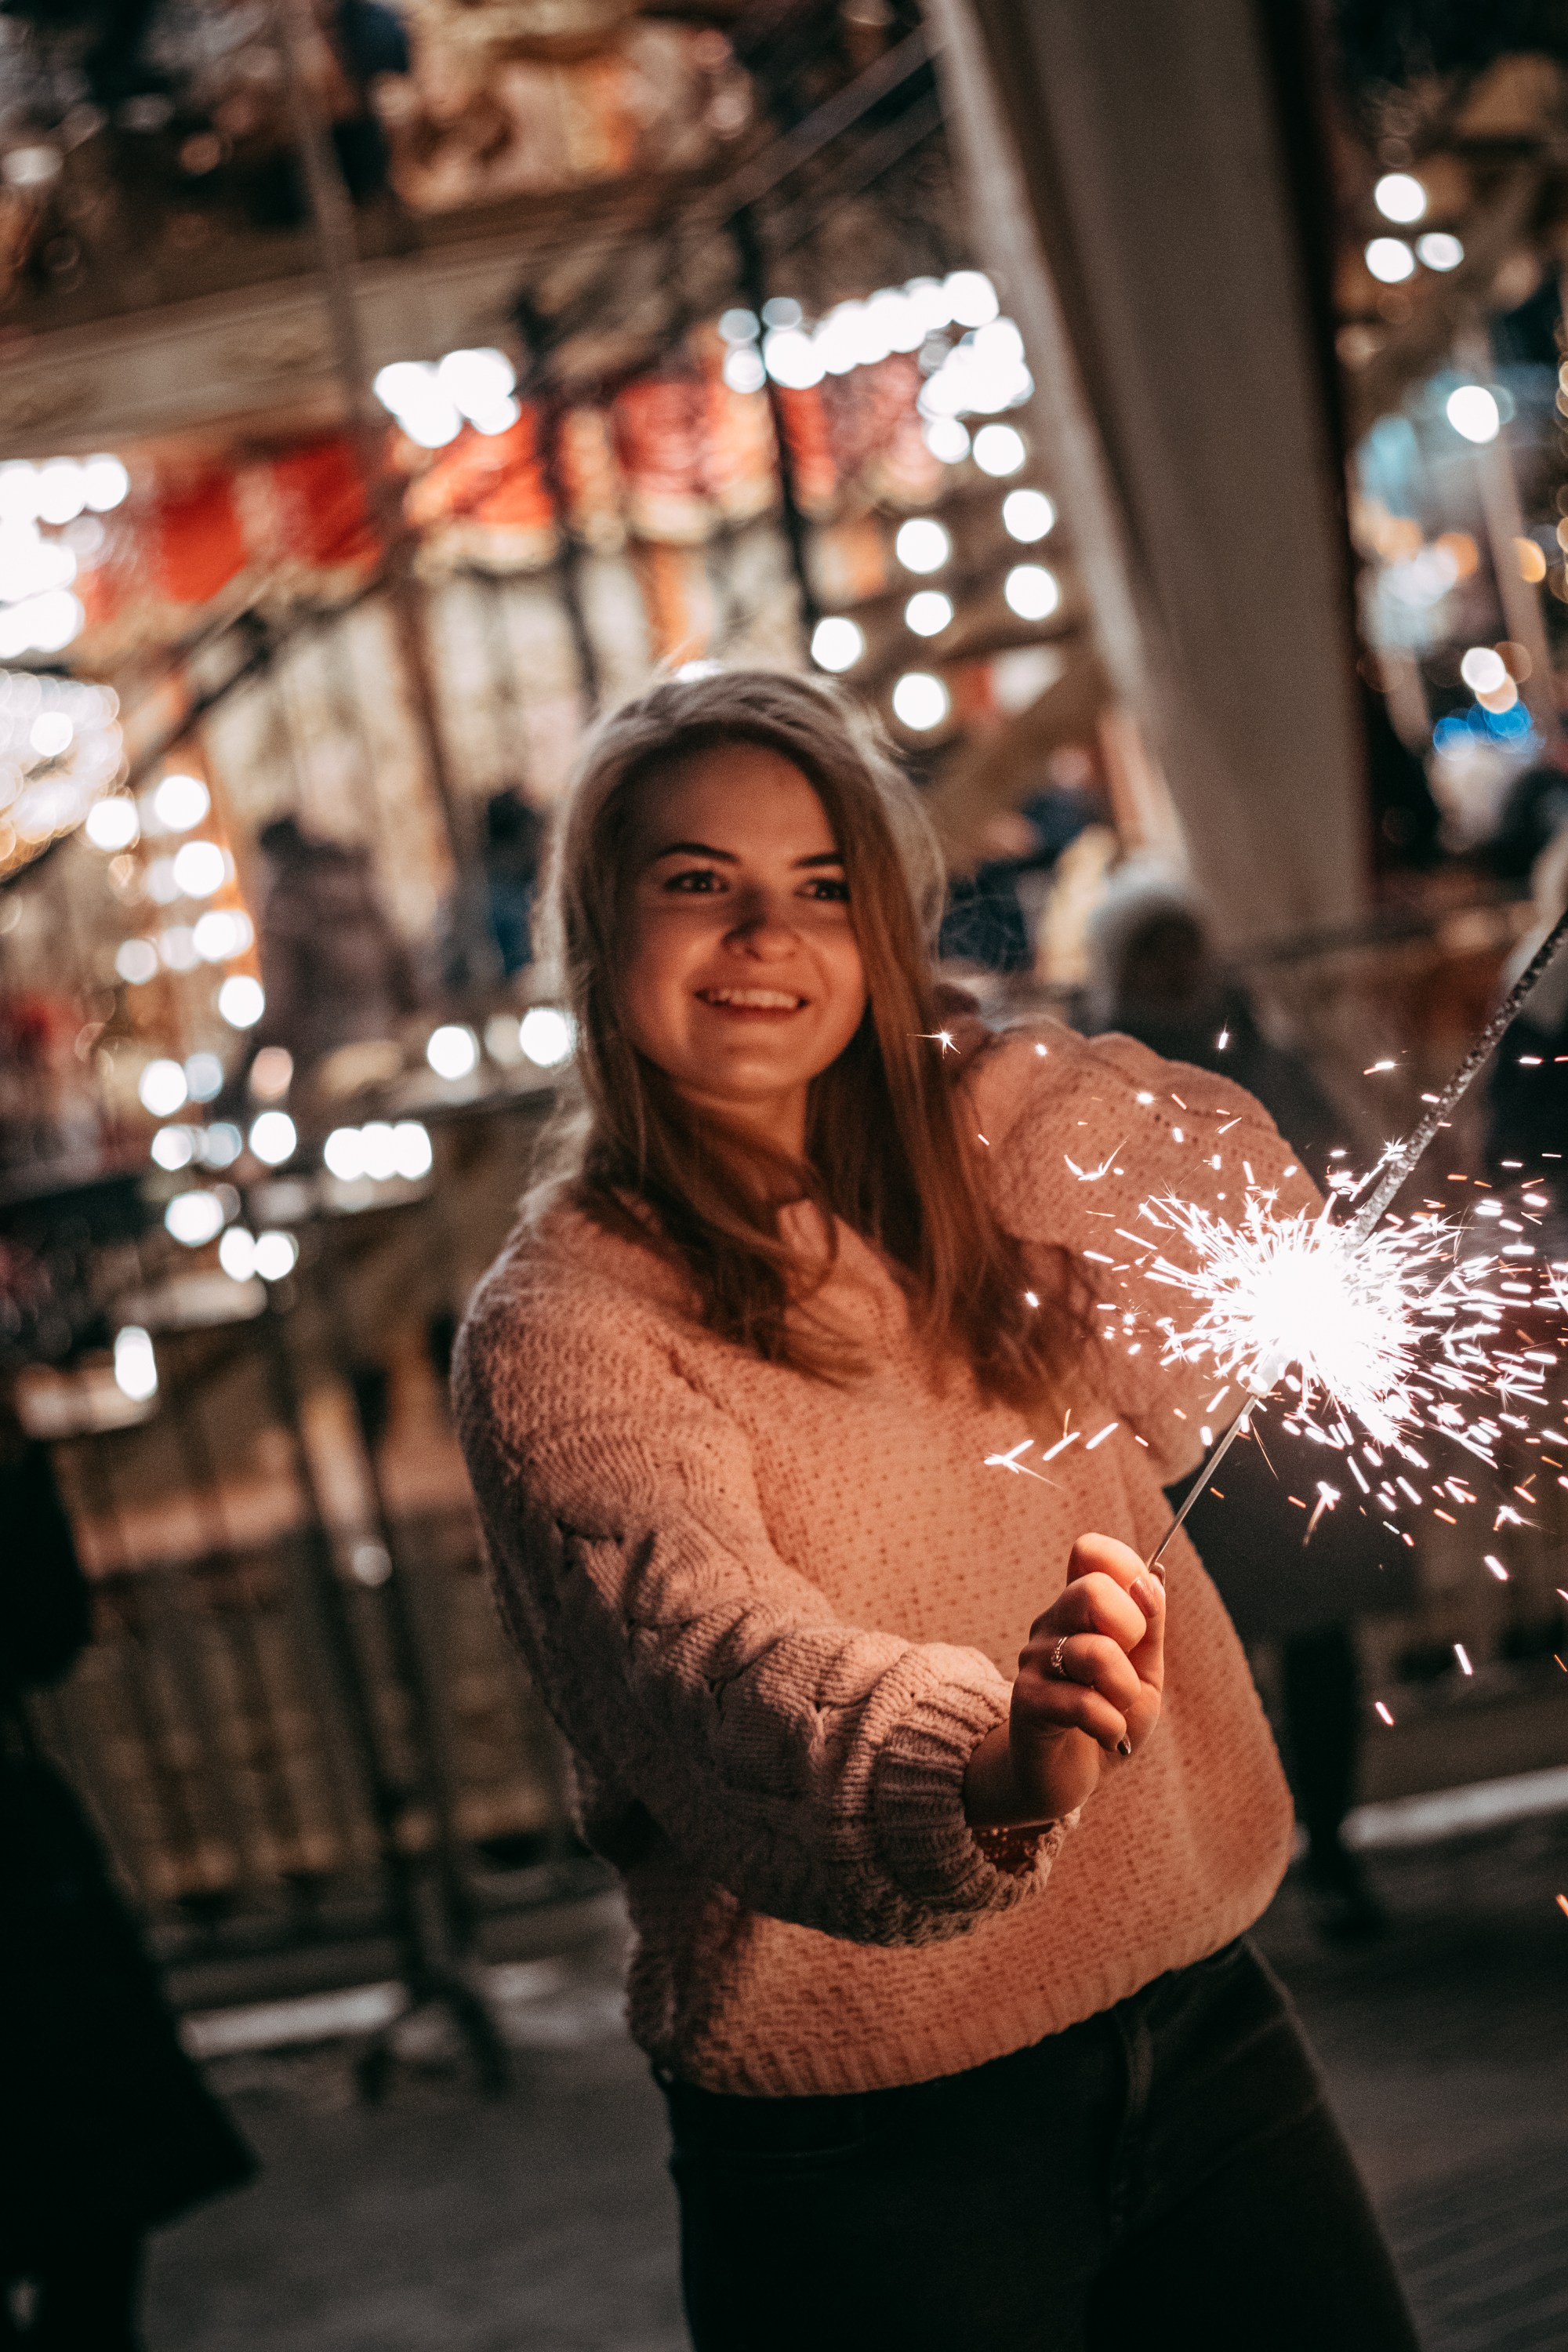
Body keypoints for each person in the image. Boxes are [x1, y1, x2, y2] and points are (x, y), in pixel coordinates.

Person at [453, 671, 1417, 2350]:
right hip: (864, 2158)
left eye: (823, 888)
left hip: (1203, 2031)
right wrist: (979, 1762)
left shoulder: (988, 1186)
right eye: (700, 883)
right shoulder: (564, 1332)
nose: (767, 936)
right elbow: (706, 1658)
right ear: (596, 932)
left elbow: (1243, 1295)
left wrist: (1015, 1096)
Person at [1081, 866, 1401, 1939]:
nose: (1174, 969)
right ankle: (1239, 1859)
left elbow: (1338, 1177)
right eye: (1151, 952)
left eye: (1183, 944)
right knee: (1209, 1658)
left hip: (1287, 1408)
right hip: (1172, 1417)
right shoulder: (1089, 1087)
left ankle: (1330, 1843)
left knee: (1314, 1637)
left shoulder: (1268, 1062)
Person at [0, 1414, 254, 2348]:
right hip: (20, 1870)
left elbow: (44, 1628)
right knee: (86, 2187)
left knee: (91, 2194)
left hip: (20, 1873)